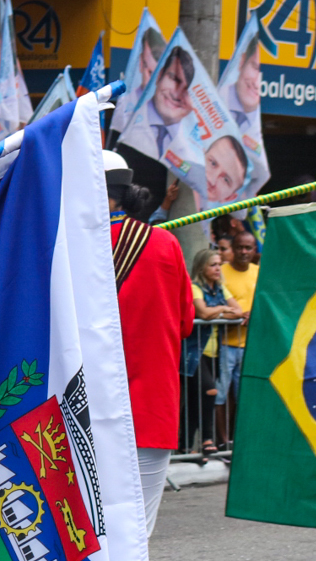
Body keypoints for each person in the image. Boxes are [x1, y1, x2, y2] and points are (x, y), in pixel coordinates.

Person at [105, 153, 193, 533]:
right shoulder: (164, 243)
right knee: (135, 534)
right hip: (151, 411)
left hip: (78, 411)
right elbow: (186, 322)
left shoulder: (63, 246)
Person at [185, 247, 243, 456]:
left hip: (214, 352)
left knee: (195, 398)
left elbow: (238, 312)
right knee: (209, 391)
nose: (218, 268)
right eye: (213, 265)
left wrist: (217, 311)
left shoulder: (220, 288)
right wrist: (222, 310)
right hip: (194, 352)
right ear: (202, 267)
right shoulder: (194, 287)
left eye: (219, 264)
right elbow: (203, 312)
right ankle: (208, 439)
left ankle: (187, 444)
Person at [216, 230, 258, 425]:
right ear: (232, 249)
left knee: (245, 397)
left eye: (248, 248)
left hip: (251, 345)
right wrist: (237, 315)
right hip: (224, 343)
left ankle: (236, 441)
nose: (243, 251)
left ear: (254, 250)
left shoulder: (259, 272)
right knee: (221, 396)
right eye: (239, 247)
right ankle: (220, 441)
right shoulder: (220, 271)